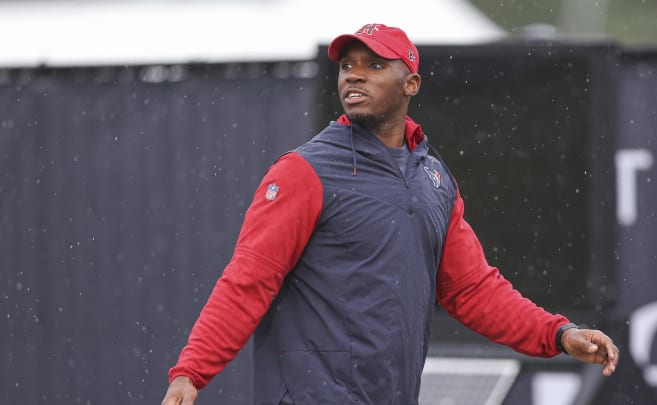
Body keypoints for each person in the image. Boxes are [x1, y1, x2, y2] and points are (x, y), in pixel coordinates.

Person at [160, 23, 620, 405]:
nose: (354, 76)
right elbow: (248, 281)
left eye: (374, 66)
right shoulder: (303, 172)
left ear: (411, 84)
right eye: (347, 67)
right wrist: (192, 372)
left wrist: (559, 334)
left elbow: (474, 290)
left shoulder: (433, 179)